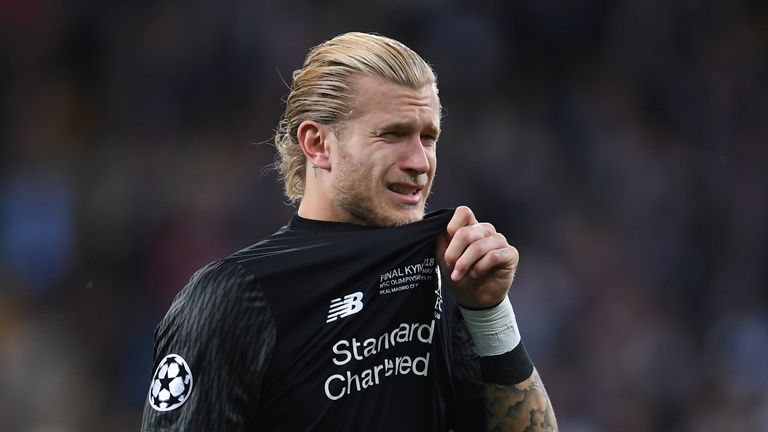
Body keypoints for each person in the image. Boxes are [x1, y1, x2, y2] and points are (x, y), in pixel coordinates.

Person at [140, 32, 557, 431]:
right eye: (392, 135)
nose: (419, 161)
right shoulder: (236, 295)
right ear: (318, 144)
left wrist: (490, 313)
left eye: (428, 137)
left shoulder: (443, 273)